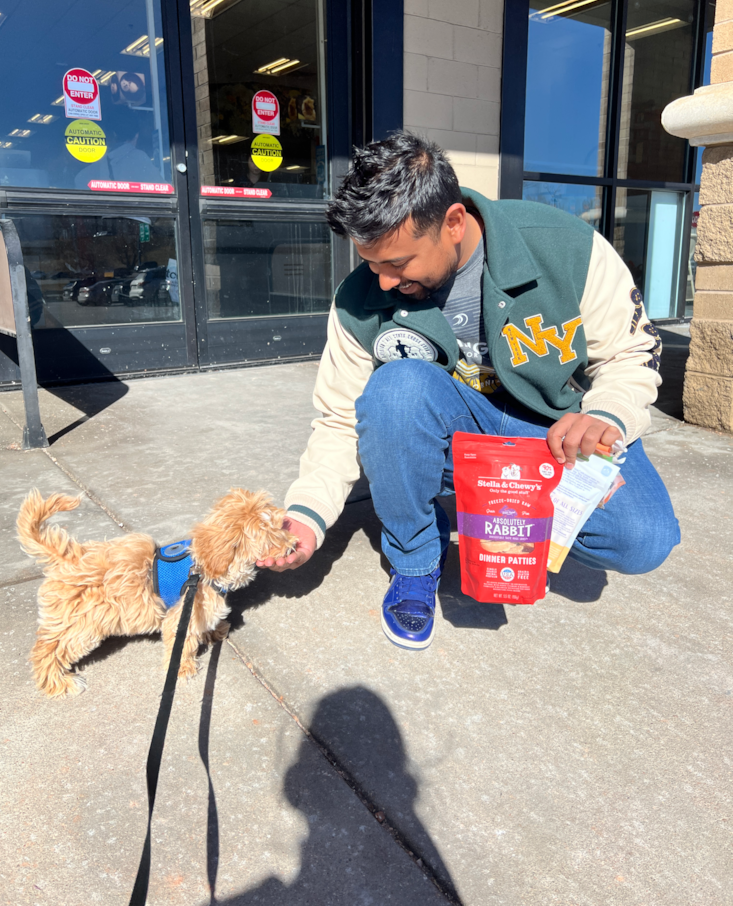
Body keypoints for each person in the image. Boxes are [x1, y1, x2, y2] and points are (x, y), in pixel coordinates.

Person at [256, 132, 680, 650]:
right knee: (397, 388)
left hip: (554, 432)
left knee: (643, 539)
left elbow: (632, 353)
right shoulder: (358, 301)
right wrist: (306, 516)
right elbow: (341, 419)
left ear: (453, 223)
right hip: (455, 427)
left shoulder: (565, 246)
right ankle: (415, 558)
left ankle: (499, 507)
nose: (384, 282)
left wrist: (608, 415)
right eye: (372, 264)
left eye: (399, 263)